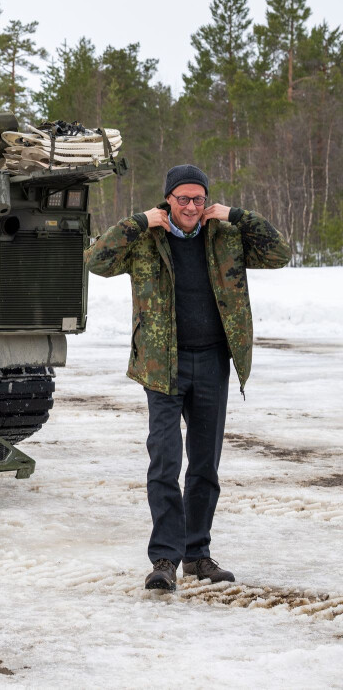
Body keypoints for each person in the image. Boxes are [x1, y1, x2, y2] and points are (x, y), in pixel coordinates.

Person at [86, 164, 290, 591]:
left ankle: (198, 556)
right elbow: (96, 260)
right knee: (164, 462)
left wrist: (236, 216)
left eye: (199, 199)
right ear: (168, 200)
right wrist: (140, 220)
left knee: (204, 467)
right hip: (162, 365)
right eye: (183, 199)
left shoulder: (227, 237)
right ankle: (165, 558)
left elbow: (279, 252)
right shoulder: (145, 239)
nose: (192, 207)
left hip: (213, 361)